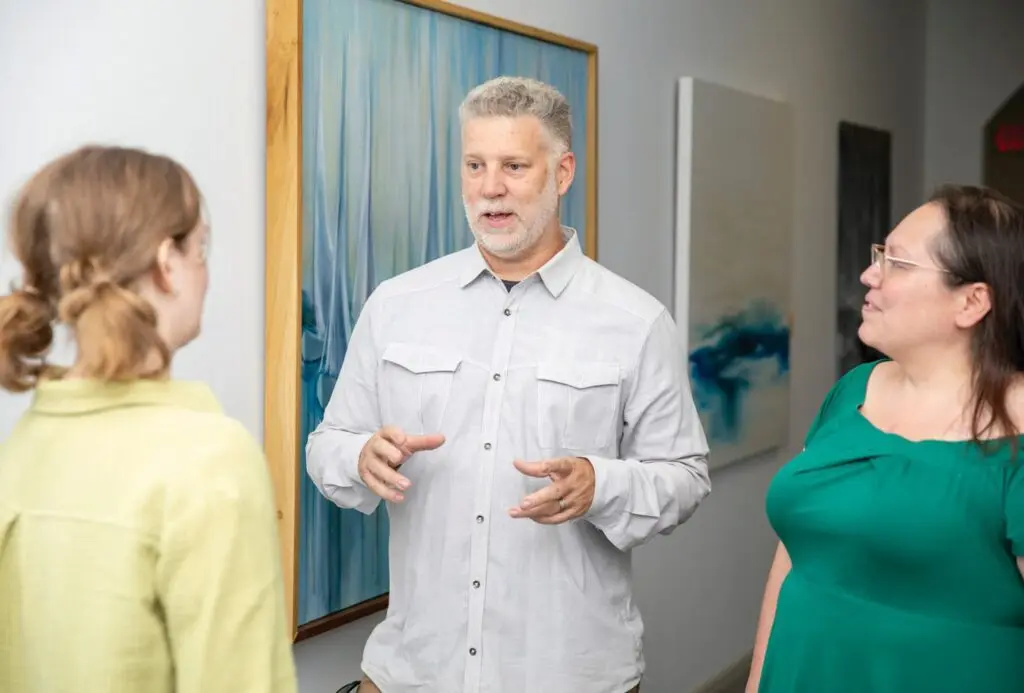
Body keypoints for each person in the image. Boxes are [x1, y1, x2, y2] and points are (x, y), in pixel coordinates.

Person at [306, 76, 712, 693]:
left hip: (570, 676)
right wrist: (358, 455)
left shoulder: (636, 321)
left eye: (514, 166)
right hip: (413, 674)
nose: (490, 188)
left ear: (562, 171)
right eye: (475, 165)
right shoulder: (397, 304)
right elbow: (327, 443)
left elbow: (685, 475)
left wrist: (601, 483)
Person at [0, 145, 298, 693]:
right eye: (200, 249)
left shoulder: (23, 446)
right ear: (167, 262)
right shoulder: (209, 460)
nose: (206, 274)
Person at [746, 184, 1024, 693]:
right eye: (880, 255)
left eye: (897, 262)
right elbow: (797, 552)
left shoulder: (1018, 428)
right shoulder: (853, 391)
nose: (869, 275)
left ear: (971, 302)